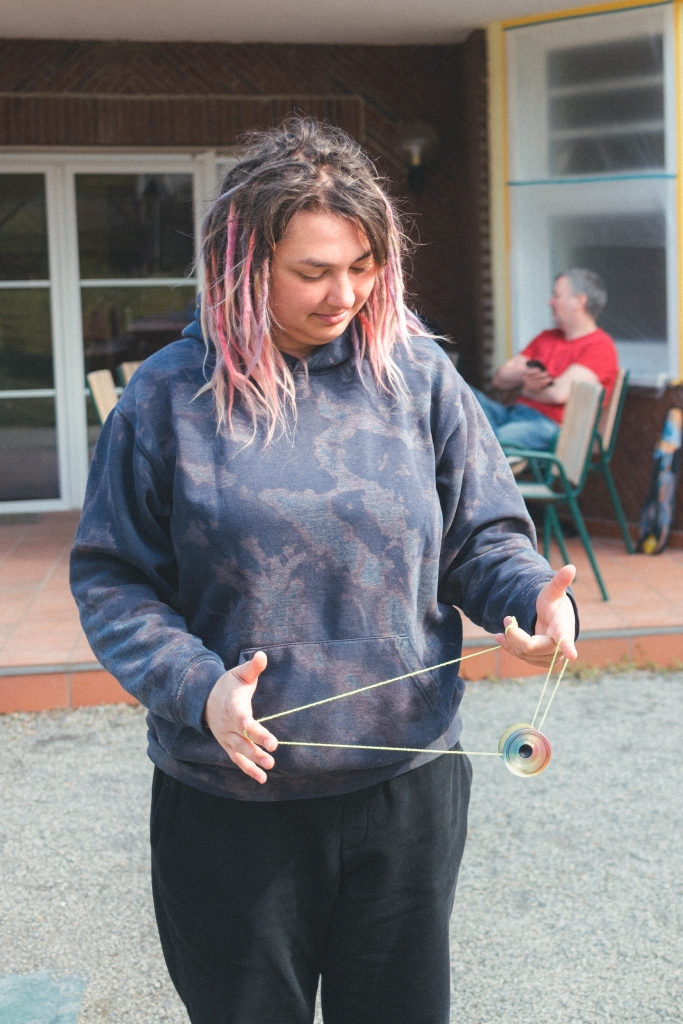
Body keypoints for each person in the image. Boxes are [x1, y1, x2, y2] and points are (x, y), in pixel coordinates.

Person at [70, 118, 578, 1024]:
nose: (343, 293)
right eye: (312, 271)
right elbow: (114, 578)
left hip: (405, 789)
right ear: (244, 265)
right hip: (232, 800)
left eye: (362, 266)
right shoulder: (166, 398)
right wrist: (197, 687)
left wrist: (525, 599)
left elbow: (481, 539)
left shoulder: (419, 379)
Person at [474, 269, 619, 451]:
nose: (550, 302)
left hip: (549, 428)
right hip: (512, 415)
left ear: (579, 301)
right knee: (458, 395)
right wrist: (529, 381)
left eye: (556, 296)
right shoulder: (546, 337)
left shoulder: (600, 347)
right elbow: (500, 379)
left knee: (487, 443)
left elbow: (558, 394)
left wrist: (523, 386)